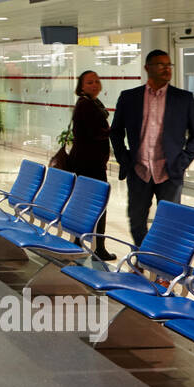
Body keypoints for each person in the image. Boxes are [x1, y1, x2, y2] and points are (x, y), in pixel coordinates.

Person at [110, 49, 194, 244]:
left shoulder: (183, 99)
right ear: (147, 68)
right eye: (160, 65)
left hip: (169, 172)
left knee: (169, 223)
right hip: (139, 171)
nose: (166, 69)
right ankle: (141, 256)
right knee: (137, 221)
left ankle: (160, 266)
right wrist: (124, 158)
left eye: (168, 65)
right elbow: (116, 131)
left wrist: (183, 161)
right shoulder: (129, 98)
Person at [70, 70, 115, 260]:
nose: (95, 85)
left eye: (97, 81)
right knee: (98, 205)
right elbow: (93, 133)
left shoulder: (92, 102)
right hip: (88, 164)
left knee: (86, 204)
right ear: (81, 86)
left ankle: (79, 242)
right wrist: (112, 131)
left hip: (89, 162)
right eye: (89, 82)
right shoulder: (86, 105)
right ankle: (98, 248)